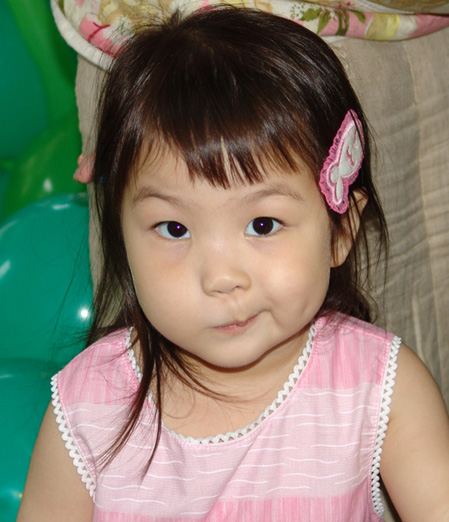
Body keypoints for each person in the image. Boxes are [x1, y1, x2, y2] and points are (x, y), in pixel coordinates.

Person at [18, 7, 449, 521]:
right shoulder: (88, 404)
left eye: (263, 225)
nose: (221, 278)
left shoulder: (379, 387)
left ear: (340, 231)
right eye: (174, 229)